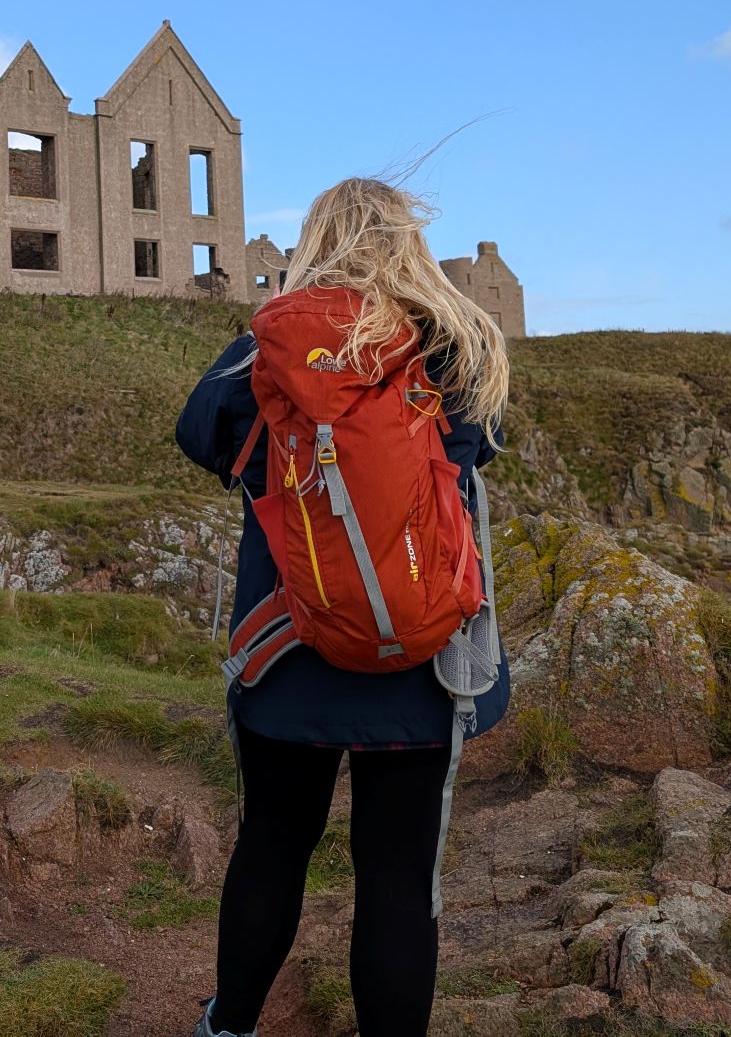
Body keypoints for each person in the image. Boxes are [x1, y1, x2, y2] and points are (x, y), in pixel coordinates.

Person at [174, 176, 512, 1037]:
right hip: (425, 666)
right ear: (409, 244)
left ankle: (231, 1027)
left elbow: (196, 435)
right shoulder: (460, 349)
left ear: (314, 242)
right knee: (398, 882)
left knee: (273, 847)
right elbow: (483, 451)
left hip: (288, 658)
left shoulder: (262, 353)